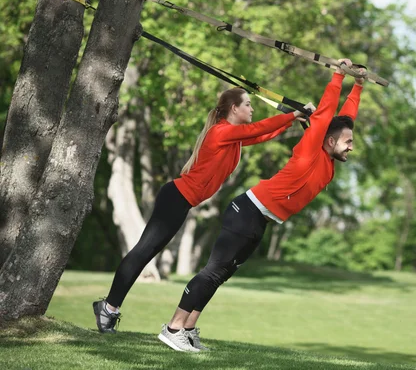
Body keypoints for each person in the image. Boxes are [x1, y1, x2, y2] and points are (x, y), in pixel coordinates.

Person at [158, 59, 365, 352]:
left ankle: (188, 329)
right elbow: (327, 114)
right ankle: (173, 327)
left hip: (260, 220)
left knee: (221, 275)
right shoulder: (310, 148)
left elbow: (345, 119)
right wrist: (338, 75)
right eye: (347, 142)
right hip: (248, 210)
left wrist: (358, 84)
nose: (351, 146)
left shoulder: (329, 158)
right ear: (329, 141)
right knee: (213, 270)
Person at [92, 87, 308, 335]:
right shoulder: (221, 132)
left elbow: (261, 135)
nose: (252, 109)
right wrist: (291, 117)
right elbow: (256, 130)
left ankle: (108, 308)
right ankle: (108, 308)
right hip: (175, 198)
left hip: (180, 201)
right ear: (234, 108)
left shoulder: (233, 138)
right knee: (143, 252)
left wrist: (293, 120)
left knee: (146, 252)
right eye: (248, 104)